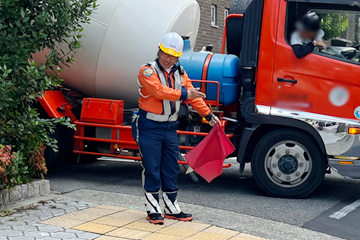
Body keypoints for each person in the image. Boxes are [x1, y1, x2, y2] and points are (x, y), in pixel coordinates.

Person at [132, 32, 219, 225]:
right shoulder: (147, 70)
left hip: (169, 127)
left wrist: (208, 116)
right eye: (165, 54)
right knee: (152, 167)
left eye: (172, 56)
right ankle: (153, 208)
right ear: (159, 50)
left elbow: (194, 96)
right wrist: (186, 93)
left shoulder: (180, 73)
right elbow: (159, 92)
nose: (167, 59)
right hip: (149, 126)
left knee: (171, 167)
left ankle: (171, 207)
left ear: (178, 57)